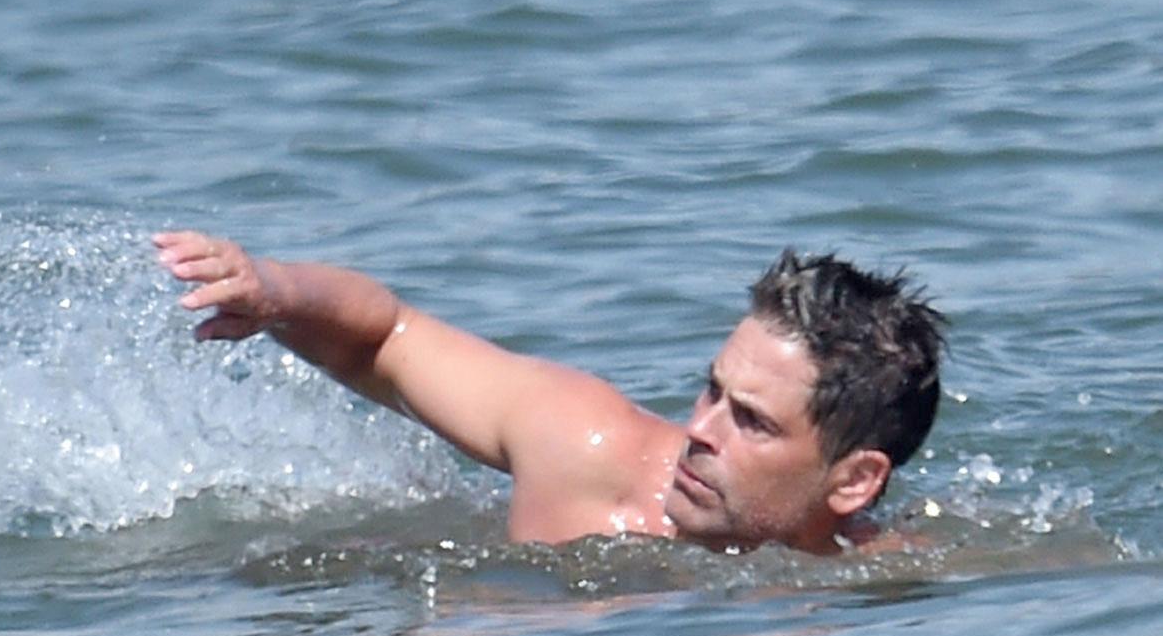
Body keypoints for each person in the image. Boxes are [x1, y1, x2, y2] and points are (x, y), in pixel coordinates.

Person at [153, 231, 945, 555]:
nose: (700, 431)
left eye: (752, 423)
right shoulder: (584, 446)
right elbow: (387, 338)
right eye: (710, 392)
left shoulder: (885, 575)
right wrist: (274, 288)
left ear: (855, 480)